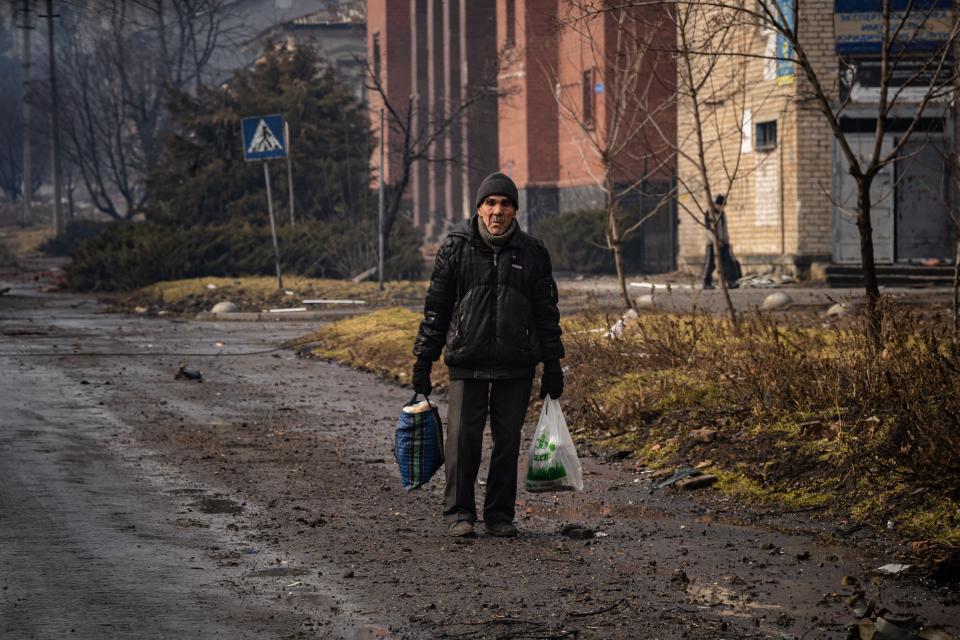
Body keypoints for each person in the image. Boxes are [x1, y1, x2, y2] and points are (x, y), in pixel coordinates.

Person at [411, 171, 565, 538]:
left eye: (505, 204)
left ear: (514, 210)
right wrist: (424, 358)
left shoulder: (532, 252)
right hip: (468, 360)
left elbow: (546, 312)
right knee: (462, 441)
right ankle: (459, 514)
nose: (497, 211)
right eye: (490, 203)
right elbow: (437, 308)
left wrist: (553, 364)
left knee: (507, 443)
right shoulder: (456, 248)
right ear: (479, 208)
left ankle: (499, 516)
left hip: (516, 364)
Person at [702, 194, 739, 289]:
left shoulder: (722, 214)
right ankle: (706, 282)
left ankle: (731, 281)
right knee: (710, 263)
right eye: (721, 205)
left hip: (723, 242)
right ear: (716, 204)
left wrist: (726, 240)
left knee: (728, 262)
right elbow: (708, 230)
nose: (722, 207)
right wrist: (715, 241)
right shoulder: (709, 213)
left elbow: (725, 228)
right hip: (712, 243)